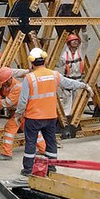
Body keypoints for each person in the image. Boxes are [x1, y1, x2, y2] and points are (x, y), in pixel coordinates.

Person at [15, 48, 93, 176]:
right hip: (50, 116)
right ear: (45, 60)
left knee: (30, 143)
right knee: (51, 142)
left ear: (32, 62)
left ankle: (28, 169)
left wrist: (18, 114)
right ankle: (51, 168)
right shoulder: (54, 75)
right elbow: (69, 83)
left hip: (33, 117)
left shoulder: (29, 78)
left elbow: (23, 100)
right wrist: (84, 85)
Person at [0, 67, 45, 161]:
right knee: (32, 131)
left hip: (22, 112)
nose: (2, 84)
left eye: (4, 82)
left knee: (9, 128)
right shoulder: (7, 85)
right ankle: (44, 149)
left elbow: (6, 103)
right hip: (23, 112)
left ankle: (6, 154)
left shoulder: (17, 88)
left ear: (9, 79)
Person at [57, 31, 89, 113]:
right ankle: (67, 118)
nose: (75, 42)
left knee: (77, 102)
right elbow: (57, 63)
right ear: (68, 43)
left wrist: (84, 31)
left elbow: (85, 42)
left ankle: (75, 117)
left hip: (78, 80)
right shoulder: (64, 55)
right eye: (73, 40)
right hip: (68, 81)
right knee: (67, 102)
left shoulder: (80, 52)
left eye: (76, 40)